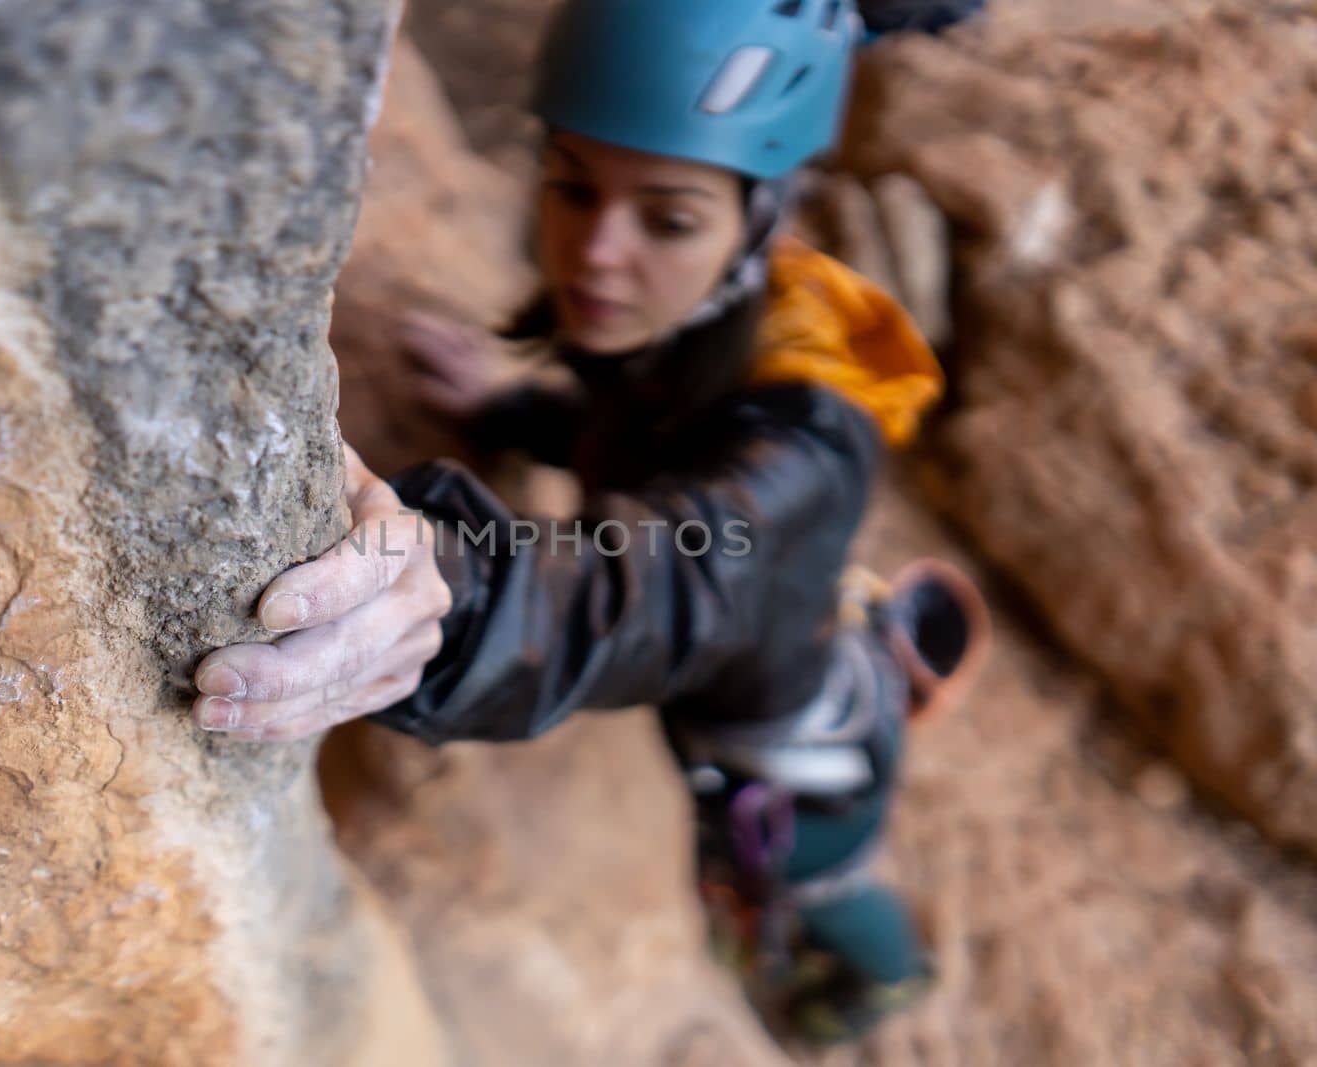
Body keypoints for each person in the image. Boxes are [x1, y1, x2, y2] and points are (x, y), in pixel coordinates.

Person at [191, 0, 990, 1044]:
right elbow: (641, 442)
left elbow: (665, 567)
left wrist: (451, 594)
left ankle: (865, 1000)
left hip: (800, 779)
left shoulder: (807, 448)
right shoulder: (709, 318)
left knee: (818, 891)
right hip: (763, 696)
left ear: (758, 219)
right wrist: (516, 409)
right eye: (571, 186)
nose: (596, 254)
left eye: (667, 217)